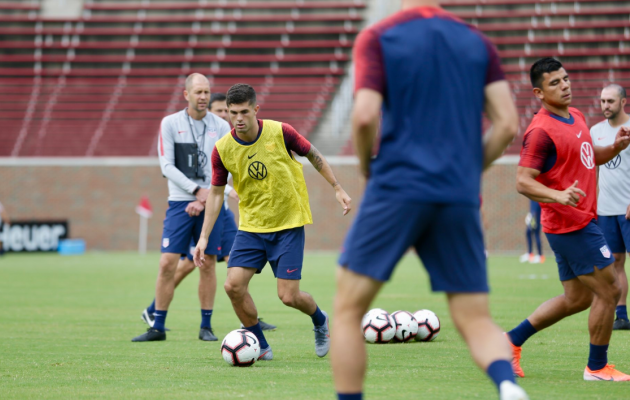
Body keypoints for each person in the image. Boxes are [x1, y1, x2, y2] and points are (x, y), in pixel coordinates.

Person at [330, 1, 526, 399]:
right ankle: (508, 386)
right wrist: (468, 172)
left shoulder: (379, 36)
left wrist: (370, 169)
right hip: (457, 194)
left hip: (397, 187)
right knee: (475, 318)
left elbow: (365, 117)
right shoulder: (477, 42)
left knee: (349, 310)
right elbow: (507, 124)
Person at [193, 83, 352, 361]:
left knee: (288, 297)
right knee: (233, 286)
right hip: (252, 227)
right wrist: (205, 236)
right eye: (233, 113)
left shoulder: (281, 132)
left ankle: (320, 321)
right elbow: (216, 194)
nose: (239, 118)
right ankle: (261, 344)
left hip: (287, 224)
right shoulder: (223, 149)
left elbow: (313, 155)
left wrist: (337, 187)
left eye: (244, 111)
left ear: (256, 109)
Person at [506, 58, 630, 381]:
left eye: (565, 79)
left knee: (577, 299)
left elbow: (589, 156)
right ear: (538, 92)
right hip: (571, 225)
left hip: (576, 222)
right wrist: (559, 196)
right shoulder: (539, 132)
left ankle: (509, 342)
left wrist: (615, 147)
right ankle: (597, 367)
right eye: (555, 83)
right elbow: (523, 180)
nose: (565, 85)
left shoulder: (575, 115)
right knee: (610, 290)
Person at [140, 93, 277, 334]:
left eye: (226, 111)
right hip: (205, 205)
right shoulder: (188, 129)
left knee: (230, 261)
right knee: (195, 262)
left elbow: (226, 172)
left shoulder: (223, 132)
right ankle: (155, 309)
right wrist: (204, 197)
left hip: (220, 210)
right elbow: (206, 177)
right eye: (220, 111)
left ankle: (245, 317)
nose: (224, 116)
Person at [132, 73, 231, 342]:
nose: (203, 97)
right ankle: (158, 326)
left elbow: (229, 167)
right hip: (179, 201)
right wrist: (195, 191)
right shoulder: (170, 123)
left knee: (208, 263)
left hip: (210, 200)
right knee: (167, 262)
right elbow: (166, 165)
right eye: (198, 92)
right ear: (186, 94)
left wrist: (205, 197)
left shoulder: (221, 126)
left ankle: (206, 327)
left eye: (207, 92)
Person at [591, 84, 630, 330]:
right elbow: (591, 168)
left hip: (627, 208)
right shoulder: (595, 131)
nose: (605, 106)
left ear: (623, 102)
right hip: (605, 210)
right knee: (615, 261)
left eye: (610, 101)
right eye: (603, 101)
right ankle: (622, 315)